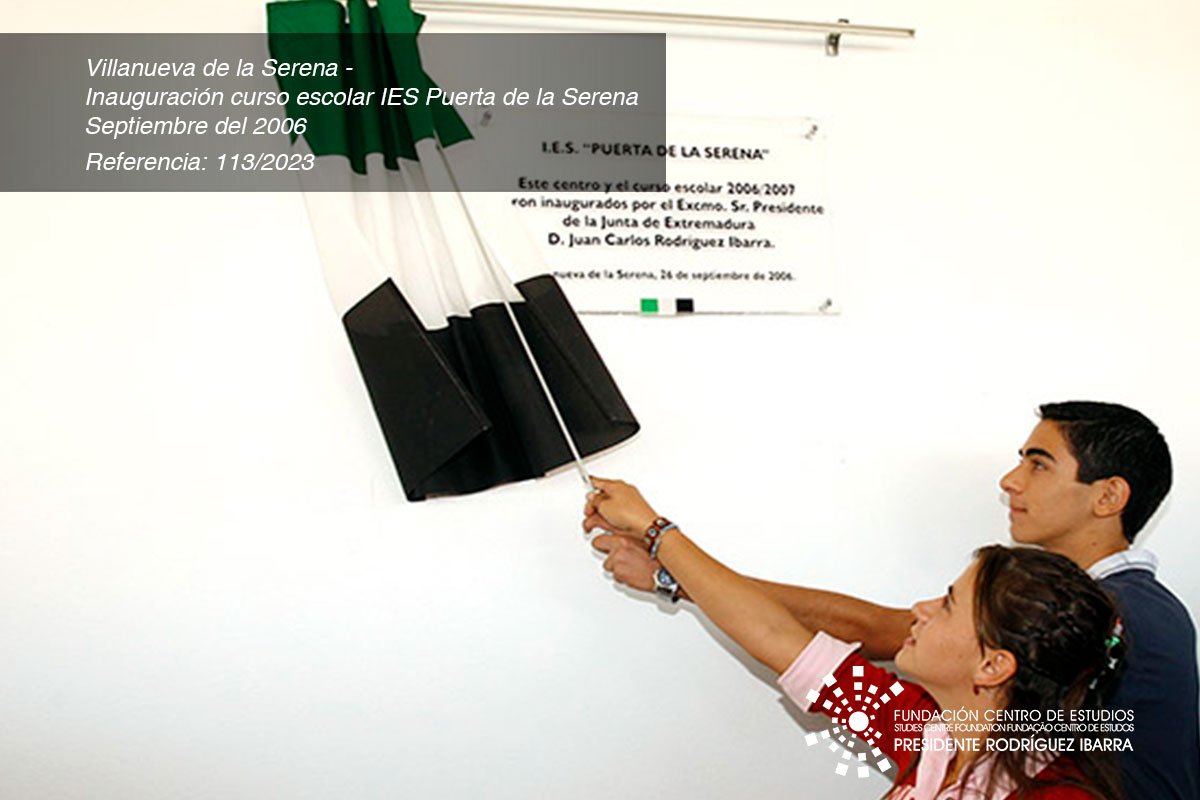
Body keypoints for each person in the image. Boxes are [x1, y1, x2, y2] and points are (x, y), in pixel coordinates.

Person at [590, 402, 1199, 800]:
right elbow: (783, 640)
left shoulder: (1132, 618)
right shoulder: (940, 735)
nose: (1010, 481)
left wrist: (668, 552)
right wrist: (668, 558)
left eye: (1039, 465)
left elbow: (871, 629)